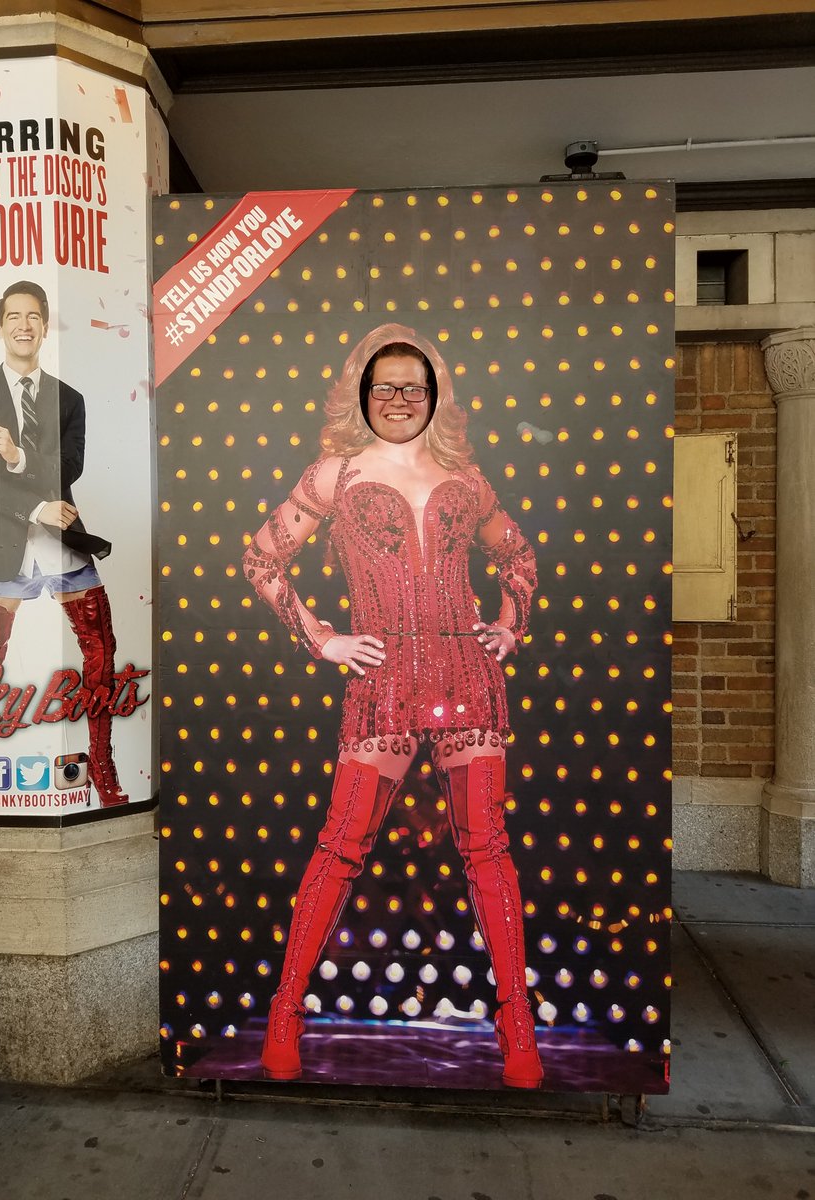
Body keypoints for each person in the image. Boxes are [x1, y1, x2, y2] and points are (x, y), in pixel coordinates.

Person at [243, 323, 542, 1088]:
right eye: (386, 387)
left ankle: (518, 1029)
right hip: (383, 682)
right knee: (342, 846)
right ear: (362, 393)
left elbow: (518, 555)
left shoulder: (466, 478)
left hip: (463, 678)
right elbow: (261, 557)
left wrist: (510, 626)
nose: (401, 399)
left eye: (415, 387)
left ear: (435, 394)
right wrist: (321, 639)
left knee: (488, 849)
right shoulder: (334, 476)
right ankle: (286, 1013)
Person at [0, 279, 127, 813]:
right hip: (5, 542)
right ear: (0, 323)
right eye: (14, 316)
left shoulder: (69, 398)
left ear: (45, 324)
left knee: (102, 653)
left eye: (33, 316)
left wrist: (18, 456)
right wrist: (34, 505)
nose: (24, 325)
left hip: (62, 542)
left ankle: (102, 769)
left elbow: (69, 467)